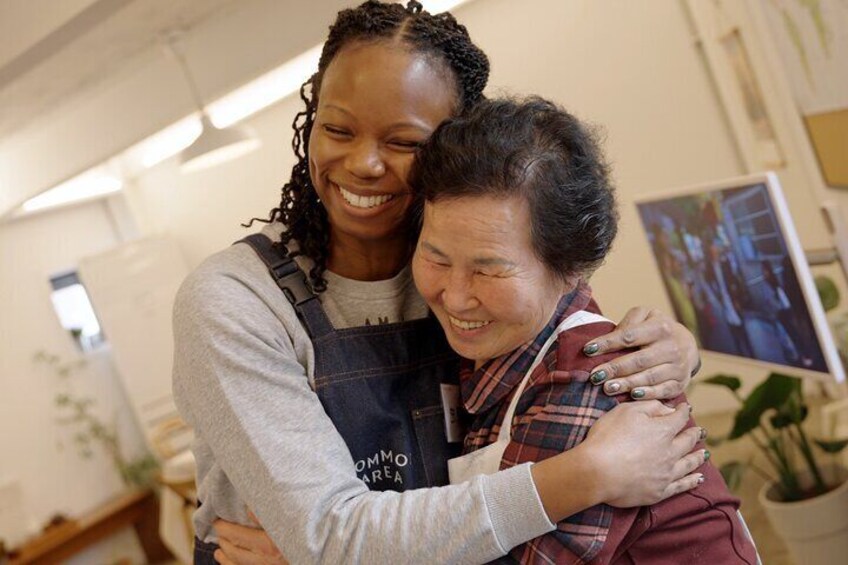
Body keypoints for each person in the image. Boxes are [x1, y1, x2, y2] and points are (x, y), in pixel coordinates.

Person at [173, 2, 704, 564]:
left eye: (404, 143)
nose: (365, 163)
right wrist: (587, 475)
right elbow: (329, 538)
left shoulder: (452, 267)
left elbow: (570, 344)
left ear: (455, 148)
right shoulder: (236, 302)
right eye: (336, 129)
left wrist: (674, 349)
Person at [409, 96, 758, 564]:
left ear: (571, 266)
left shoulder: (590, 383)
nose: (454, 296)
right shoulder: (501, 342)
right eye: (436, 258)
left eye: (487, 271)